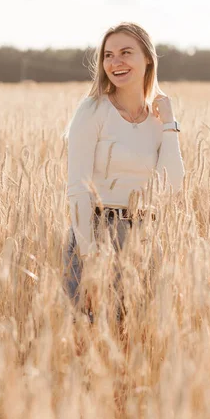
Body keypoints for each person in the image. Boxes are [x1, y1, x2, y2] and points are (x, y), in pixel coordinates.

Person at [62, 22, 185, 325]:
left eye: (126, 52)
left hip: (143, 239)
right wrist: (89, 257)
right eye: (108, 55)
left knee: (137, 339)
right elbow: (78, 187)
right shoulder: (92, 109)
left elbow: (172, 185)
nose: (115, 62)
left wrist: (170, 125)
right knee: (90, 340)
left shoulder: (157, 120)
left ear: (147, 59)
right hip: (95, 231)